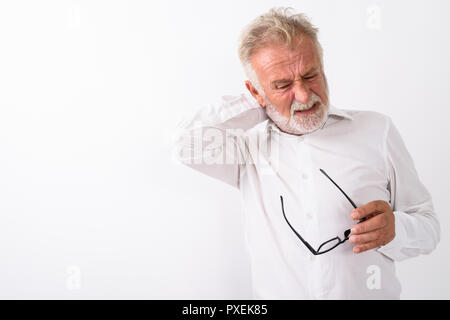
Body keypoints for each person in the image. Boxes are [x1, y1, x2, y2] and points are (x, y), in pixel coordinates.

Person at [173, 7, 440, 299]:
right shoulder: (245, 148)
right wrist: (255, 105)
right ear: (256, 92)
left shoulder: (377, 130)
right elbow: (186, 145)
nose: (303, 95)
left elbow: (428, 228)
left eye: (310, 75)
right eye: (282, 85)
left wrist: (396, 229)